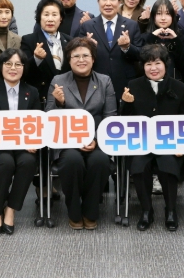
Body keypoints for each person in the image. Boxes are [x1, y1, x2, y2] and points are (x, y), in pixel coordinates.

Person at [46, 37, 116, 230]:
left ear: (93, 59)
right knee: (72, 161)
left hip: (97, 140)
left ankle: (90, 212)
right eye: (76, 56)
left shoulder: (104, 81)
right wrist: (59, 104)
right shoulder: (58, 81)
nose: (81, 60)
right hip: (67, 142)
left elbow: (110, 117)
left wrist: (96, 140)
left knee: (99, 161)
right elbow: (48, 117)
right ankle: (74, 211)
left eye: (85, 55)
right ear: (69, 60)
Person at [120, 45, 184, 231]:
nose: (153, 68)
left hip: (169, 144)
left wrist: (181, 145)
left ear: (166, 64)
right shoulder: (133, 85)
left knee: (168, 164)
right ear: (142, 66)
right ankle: (146, 210)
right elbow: (123, 121)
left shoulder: (179, 87)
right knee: (139, 165)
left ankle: (171, 210)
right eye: (148, 64)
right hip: (141, 143)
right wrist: (126, 104)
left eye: (157, 63)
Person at [0, 48, 40, 235]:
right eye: (8, 64)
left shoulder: (32, 92)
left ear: (24, 68)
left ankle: (10, 209)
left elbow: (37, 122)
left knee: (28, 161)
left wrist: (33, 141)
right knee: (6, 162)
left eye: (18, 64)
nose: (13, 68)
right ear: (0, 66)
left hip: (22, 145)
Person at [78, 0, 143, 102]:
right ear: (98, 1)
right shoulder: (87, 26)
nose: (108, 3)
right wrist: (88, 47)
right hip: (95, 83)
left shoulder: (131, 25)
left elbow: (140, 54)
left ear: (119, 2)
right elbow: (77, 55)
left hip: (124, 84)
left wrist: (127, 47)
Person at [21, 0, 72, 106]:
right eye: (46, 14)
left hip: (66, 100)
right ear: (39, 17)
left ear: (61, 18)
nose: (50, 19)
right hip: (41, 100)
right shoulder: (28, 40)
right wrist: (36, 59)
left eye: (54, 15)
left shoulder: (70, 41)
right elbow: (23, 72)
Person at [141, 0, 184, 81]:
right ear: (153, 16)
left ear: (173, 16)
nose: (163, 18)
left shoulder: (180, 35)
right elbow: (141, 60)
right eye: (159, 14)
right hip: (149, 81)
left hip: (174, 82)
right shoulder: (146, 36)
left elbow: (182, 64)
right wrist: (152, 37)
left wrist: (175, 40)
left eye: (167, 14)